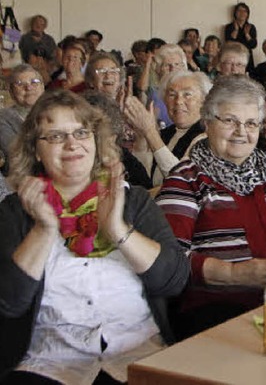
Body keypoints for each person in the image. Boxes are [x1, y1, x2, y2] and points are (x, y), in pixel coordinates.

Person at [0, 89, 189, 384]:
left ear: (95, 141)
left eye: (81, 132)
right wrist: (44, 229)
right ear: (36, 149)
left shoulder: (133, 200)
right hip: (50, 363)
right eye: (56, 136)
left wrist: (117, 229)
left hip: (139, 354)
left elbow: (173, 280)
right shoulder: (16, 211)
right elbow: (9, 302)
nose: (72, 144)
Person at [156, 75, 266, 339]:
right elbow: (168, 261)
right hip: (215, 313)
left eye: (250, 123)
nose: (241, 132)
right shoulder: (186, 178)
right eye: (229, 121)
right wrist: (234, 273)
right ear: (207, 123)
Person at [124, 70, 212, 186]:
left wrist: (150, 132)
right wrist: (141, 135)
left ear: (204, 101)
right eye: (172, 95)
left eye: (187, 94)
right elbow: (146, 176)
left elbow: (183, 179)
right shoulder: (167, 133)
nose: (178, 101)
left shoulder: (207, 136)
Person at [0, 65, 45, 174]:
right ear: (11, 91)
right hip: (23, 179)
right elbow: (16, 155)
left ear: (43, 86)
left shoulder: (56, 111)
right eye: (20, 84)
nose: (29, 88)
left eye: (34, 82)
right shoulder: (4, 118)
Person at [224, 2, 257, 72]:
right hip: (233, 56)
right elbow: (228, 43)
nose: (242, 13)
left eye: (244, 11)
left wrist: (247, 34)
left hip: (247, 56)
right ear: (235, 13)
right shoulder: (229, 27)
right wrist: (236, 30)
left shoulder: (251, 27)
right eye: (239, 10)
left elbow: (253, 45)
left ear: (247, 14)